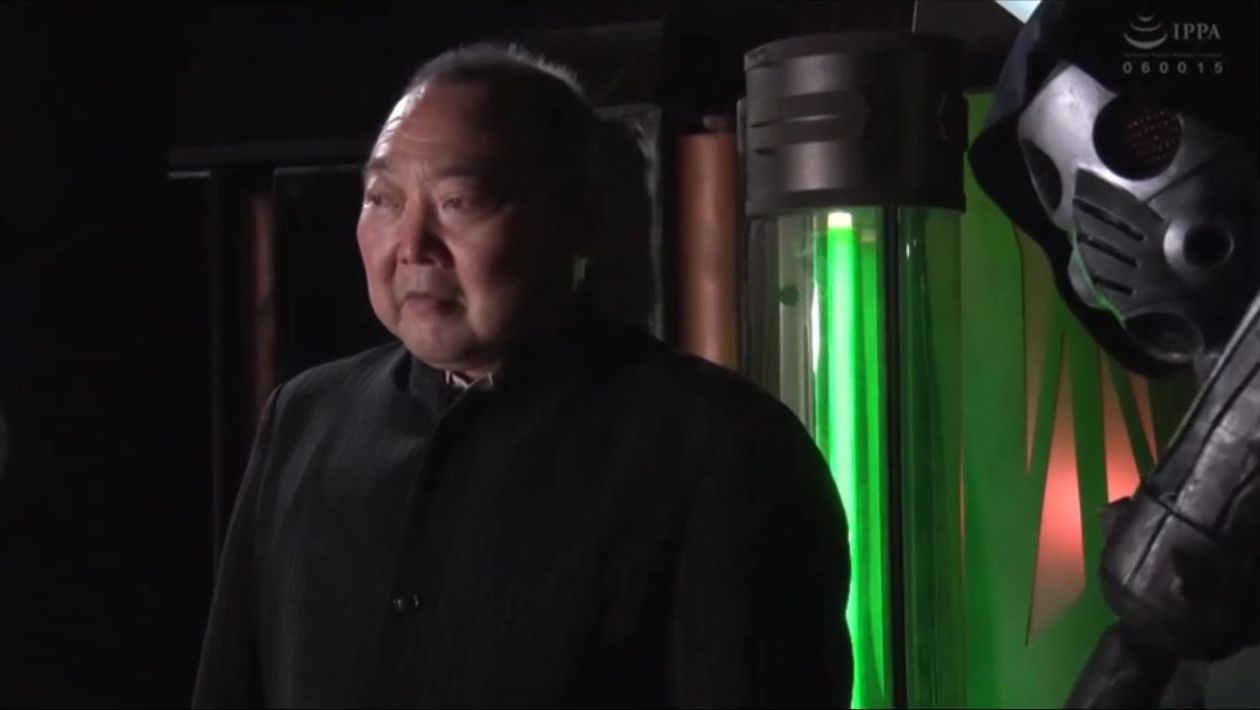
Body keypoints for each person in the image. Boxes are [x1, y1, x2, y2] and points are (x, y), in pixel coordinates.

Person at [191, 43, 853, 708]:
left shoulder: (721, 450)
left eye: (460, 201)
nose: (412, 246)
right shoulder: (306, 418)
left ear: (582, 218)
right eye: (382, 199)